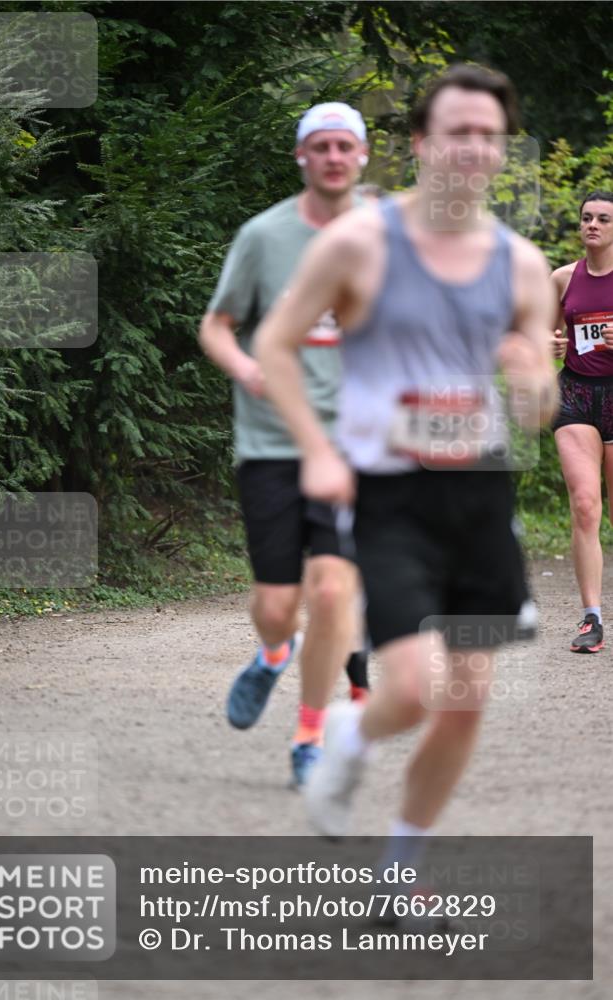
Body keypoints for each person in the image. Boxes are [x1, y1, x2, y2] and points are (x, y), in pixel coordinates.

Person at [255, 64, 558, 849]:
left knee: (464, 702)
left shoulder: (522, 264)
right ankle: (348, 738)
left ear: (502, 151)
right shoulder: (361, 241)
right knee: (418, 689)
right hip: (388, 496)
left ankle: (397, 869)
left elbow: (540, 402)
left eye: (488, 136)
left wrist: (531, 382)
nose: (473, 149)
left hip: (481, 496)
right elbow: (276, 345)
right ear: (422, 144)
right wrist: (317, 451)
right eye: (457, 132)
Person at [199, 102, 371, 788]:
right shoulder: (263, 237)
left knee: (332, 588)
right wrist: (244, 367)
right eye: (320, 146)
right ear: (302, 156)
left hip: (354, 444)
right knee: (277, 604)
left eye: (344, 146)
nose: (333, 156)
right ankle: (273, 655)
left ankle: (308, 736)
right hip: (271, 439)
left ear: (362, 155)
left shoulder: (385, 238)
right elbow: (216, 324)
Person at [551, 191, 613, 653]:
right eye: (587, 218)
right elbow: (550, 332)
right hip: (574, 394)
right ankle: (591, 617)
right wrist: (549, 345)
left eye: (603, 219)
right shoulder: (561, 278)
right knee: (586, 505)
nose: (593, 225)